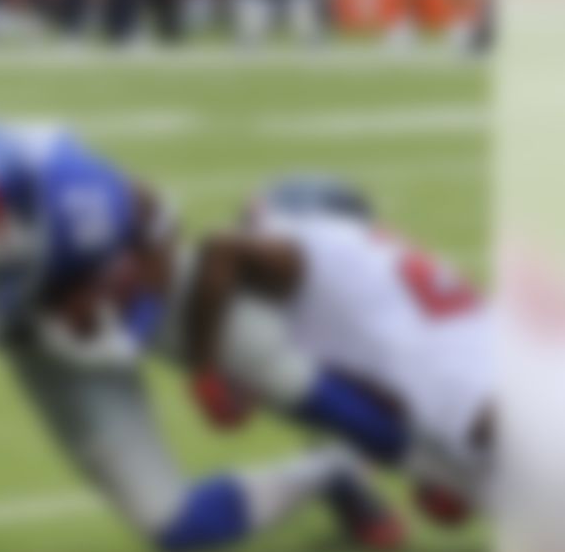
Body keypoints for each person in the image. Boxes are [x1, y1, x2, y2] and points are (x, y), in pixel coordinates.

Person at [0, 120, 407, 552]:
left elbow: (158, 229)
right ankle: (333, 471)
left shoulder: (76, 186)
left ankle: (450, 456)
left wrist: (136, 320)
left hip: (128, 293)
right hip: (49, 354)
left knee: (284, 373)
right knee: (174, 527)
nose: (5, 246)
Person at [182, 175, 493, 521]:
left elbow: (222, 248)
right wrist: (435, 473)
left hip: (471, 391)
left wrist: (204, 364)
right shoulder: (367, 261)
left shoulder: (306, 244)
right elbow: (361, 395)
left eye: (251, 223)